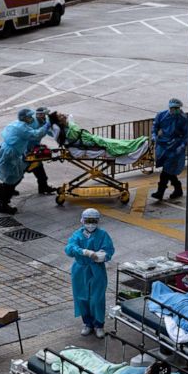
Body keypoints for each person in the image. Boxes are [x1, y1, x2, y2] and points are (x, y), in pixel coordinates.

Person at [0, 108, 50, 214]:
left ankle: (3, 194)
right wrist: (47, 125)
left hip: (11, 152)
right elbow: (36, 134)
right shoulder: (22, 128)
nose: (32, 118)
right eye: (30, 117)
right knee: (13, 178)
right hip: (11, 154)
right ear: (25, 118)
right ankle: (3, 203)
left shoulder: (19, 124)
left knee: (15, 176)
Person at [65, 208, 115, 338]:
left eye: (94, 221)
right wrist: (85, 252)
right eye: (88, 221)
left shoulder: (103, 234)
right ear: (82, 220)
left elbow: (109, 249)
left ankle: (99, 325)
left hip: (96, 270)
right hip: (80, 270)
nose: (91, 224)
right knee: (82, 297)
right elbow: (69, 249)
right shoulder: (77, 235)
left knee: (97, 298)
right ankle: (87, 323)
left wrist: (102, 255)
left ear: (98, 221)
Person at [151, 98, 188, 201]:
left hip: (175, 147)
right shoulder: (161, 115)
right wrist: (154, 136)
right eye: (173, 108)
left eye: (177, 108)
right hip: (162, 146)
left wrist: (182, 146)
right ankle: (178, 188)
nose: (174, 110)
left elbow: (187, 135)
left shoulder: (182, 119)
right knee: (168, 170)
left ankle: (160, 192)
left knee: (166, 170)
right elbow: (155, 127)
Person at [27, 106, 57, 195]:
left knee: (39, 169)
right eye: (45, 115)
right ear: (40, 115)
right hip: (27, 151)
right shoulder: (33, 123)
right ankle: (43, 187)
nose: (46, 117)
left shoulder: (42, 122)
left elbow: (50, 133)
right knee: (20, 173)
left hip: (33, 150)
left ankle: (43, 187)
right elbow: (36, 134)